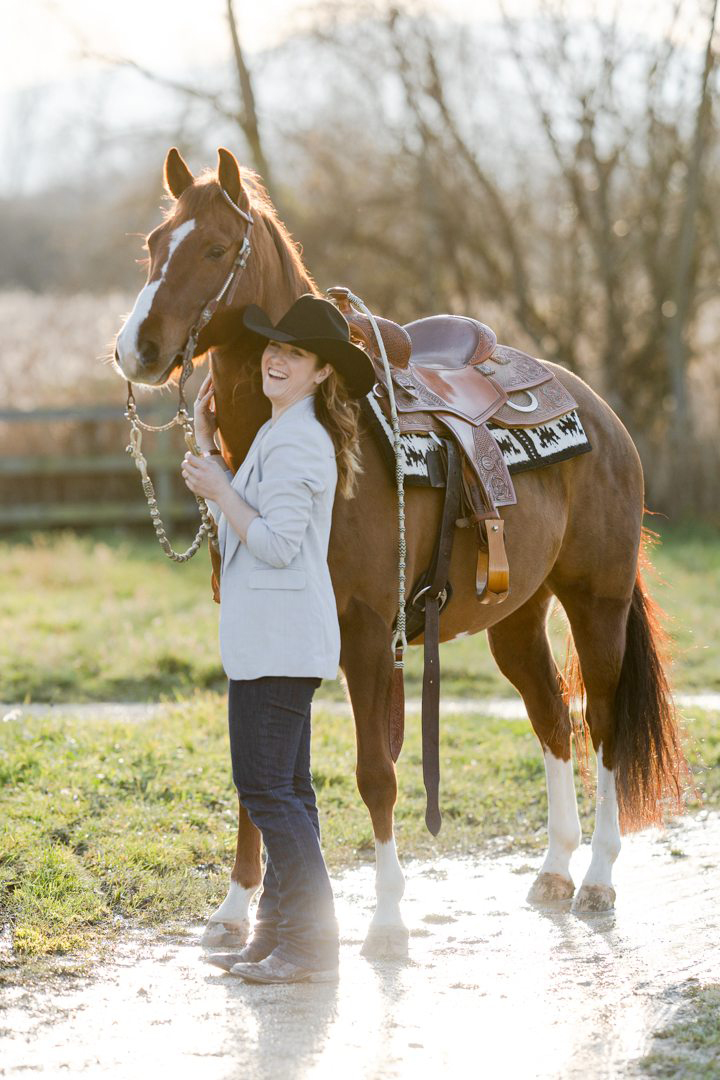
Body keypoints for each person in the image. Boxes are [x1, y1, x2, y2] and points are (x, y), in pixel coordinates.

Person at [181, 294, 375, 984]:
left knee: (266, 791)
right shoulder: (282, 426)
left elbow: (276, 542)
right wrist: (208, 448)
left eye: (293, 353)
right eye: (272, 346)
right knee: (287, 790)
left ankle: (314, 950)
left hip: (281, 642)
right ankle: (277, 935)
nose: (275, 357)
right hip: (274, 639)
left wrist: (219, 487)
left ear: (323, 371)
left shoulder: (299, 441)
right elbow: (253, 513)